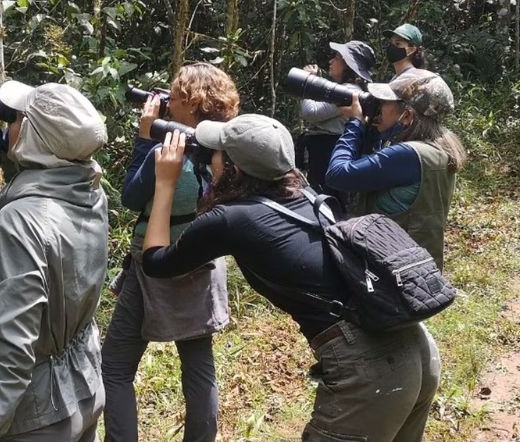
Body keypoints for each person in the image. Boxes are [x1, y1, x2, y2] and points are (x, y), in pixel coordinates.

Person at [141, 115, 441, 442]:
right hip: (415, 346)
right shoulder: (308, 195)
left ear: (234, 169)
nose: (209, 157)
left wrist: (165, 183)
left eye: (216, 152)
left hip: (373, 366)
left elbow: (156, 263)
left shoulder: (230, 219)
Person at [0, 81, 109, 442]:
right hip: (83, 386)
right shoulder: (90, 192)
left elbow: (13, 344)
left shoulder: (20, 222)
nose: (9, 125)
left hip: (35, 417)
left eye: (18, 118)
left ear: (35, 138)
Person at [101, 63, 239, 442]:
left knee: (114, 367)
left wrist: (145, 137)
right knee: (198, 367)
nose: (168, 102)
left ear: (192, 105)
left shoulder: (168, 151)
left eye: (175, 96)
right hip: (201, 261)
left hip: (153, 266)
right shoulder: (225, 153)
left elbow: (131, 197)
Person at [326, 69, 466, 267]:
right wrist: (371, 130)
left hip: (391, 270)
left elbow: (337, 175)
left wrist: (355, 124)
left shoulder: (407, 155)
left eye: (384, 103)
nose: (378, 106)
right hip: (417, 265)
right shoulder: (436, 147)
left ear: (407, 115)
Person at [295, 40, 375, 204]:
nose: (331, 61)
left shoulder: (349, 92)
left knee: (328, 202)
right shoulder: (345, 89)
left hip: (329, 151)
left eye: (337, 58)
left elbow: (310, 112)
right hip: (325, 151)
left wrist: (306, 81)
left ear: (348, 65)